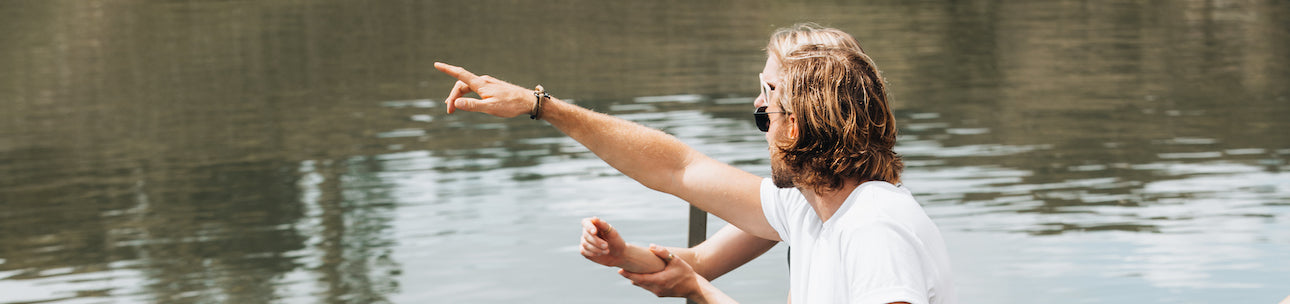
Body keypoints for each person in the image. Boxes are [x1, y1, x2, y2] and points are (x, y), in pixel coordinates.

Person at [436, 23, 956, 304]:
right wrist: (539, 106)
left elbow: (696, 270)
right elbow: (677, 169)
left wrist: (699, 292)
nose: (756, 105)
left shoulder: (874, 230)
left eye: (767, 96)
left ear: (796, 125)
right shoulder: (807, 207)